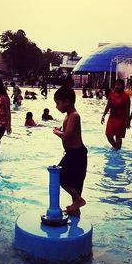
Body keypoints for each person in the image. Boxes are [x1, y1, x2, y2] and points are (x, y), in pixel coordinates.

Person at [53, 86, 88, 216]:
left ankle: (78, 200)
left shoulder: (74, 116)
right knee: (75, 183)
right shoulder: (69, 116)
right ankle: (75, 208)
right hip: (73, 153)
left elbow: (67, 135)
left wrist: (57, 132)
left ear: (67, 102)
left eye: (58, 103)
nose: (57, 107)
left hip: (76, 153)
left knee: (59, 176)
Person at [101, 79, 130, 150]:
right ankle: (116, 148)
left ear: (123, 86)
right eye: (116, 85)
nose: (117, 86)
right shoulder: (111, 94)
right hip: (112, 118)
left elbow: (127, 109)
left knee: (118, 137)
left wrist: (127, 120)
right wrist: (103, 115)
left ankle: (117, 151)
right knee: (108, 135)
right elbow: (108, 105)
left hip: (121, 119)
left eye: (119, 85)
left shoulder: (125, 96)